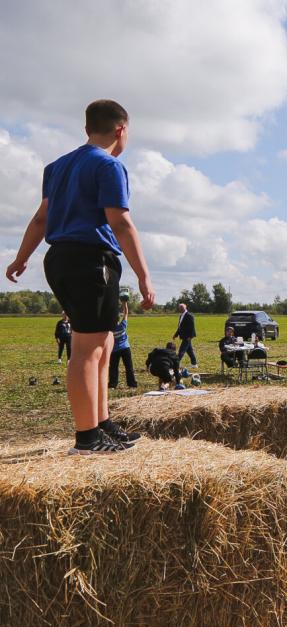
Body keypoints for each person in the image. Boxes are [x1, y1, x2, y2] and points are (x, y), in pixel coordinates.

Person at [5, 99, 154, 454]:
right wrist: (144, 275)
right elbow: (120, 222)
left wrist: (21, 258)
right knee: (87, 348)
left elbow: (41, 219)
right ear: (121, 130)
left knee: (104, 342)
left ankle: (101, 423)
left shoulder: (57, 167)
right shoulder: (109, 165)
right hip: (90, 260)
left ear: (88, 128)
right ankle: (87, 438)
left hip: (60, 258)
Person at [108, 298, 137, 388]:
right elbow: (126, 313)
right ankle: (132, 384)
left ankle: (112, 384)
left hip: (114, 350)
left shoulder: (110, 329)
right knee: (129, 367)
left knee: (113, 368)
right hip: (125, 348)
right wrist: (124, 303)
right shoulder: (122, 326)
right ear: (118, 319)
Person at [173, 302, 197, 368]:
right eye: (180, 308)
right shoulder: (181, 316)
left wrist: (190, 336)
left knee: (181, 351)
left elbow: (192, 327)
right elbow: (180, 327)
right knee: (190, 351)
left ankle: (176, 364)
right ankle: (194, 364)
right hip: (183, 336)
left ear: (185, 308)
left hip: (187, 337)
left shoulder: (189, 315)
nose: (180, 309)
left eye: (182, 307)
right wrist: (176, 334)